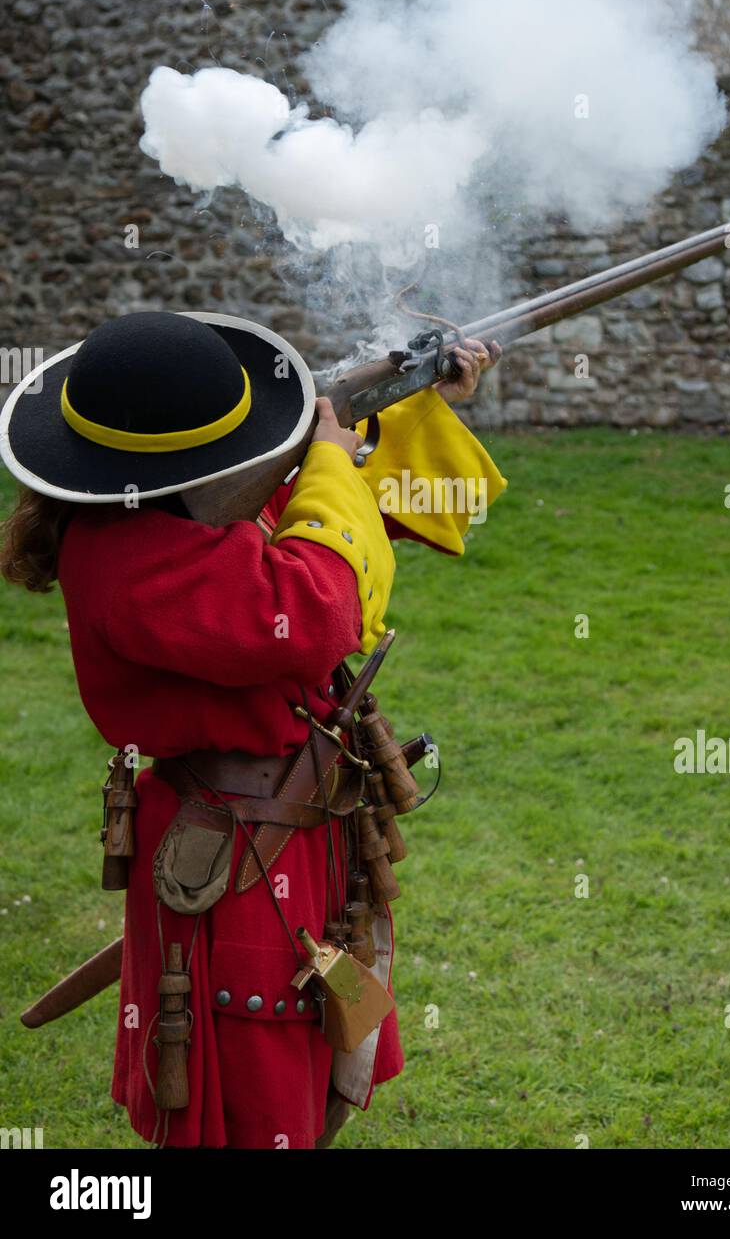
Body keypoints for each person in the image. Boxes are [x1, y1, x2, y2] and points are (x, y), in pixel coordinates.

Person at [0, 309, 505, 1149]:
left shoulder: (186, 508)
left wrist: (413, 401)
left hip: (287, 830)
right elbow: (315, 606)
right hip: (232, 856)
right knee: (249, 1104)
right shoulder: (127, 553)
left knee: (310, 1071)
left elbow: (355, 517)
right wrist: (327, 459)